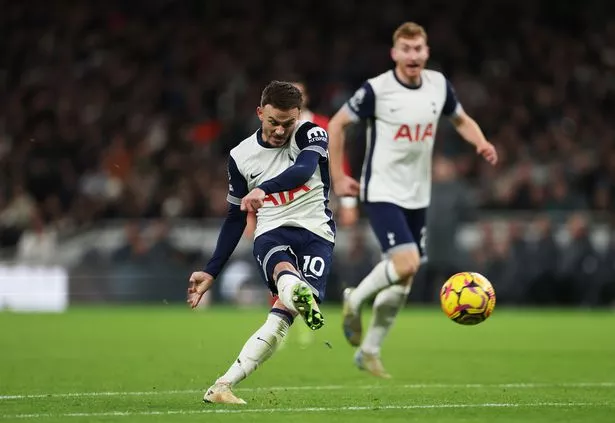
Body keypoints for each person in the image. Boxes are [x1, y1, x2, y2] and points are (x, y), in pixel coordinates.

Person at [327, 22, 498, 378]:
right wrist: (339, 176)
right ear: (395, 54)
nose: (413, 55)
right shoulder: (377, 90)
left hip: (418, 194)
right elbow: (337, 125)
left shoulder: (438, 86)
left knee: (403, 279)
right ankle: (355, 299)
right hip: (382, 191)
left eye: (418, 48)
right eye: (406, 49)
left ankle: (369, 350)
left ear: (426, 52)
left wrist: (480, 142)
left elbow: (462, 119)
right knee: (407, 265)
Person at [187, 81, 335, 404]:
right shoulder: (240, 157)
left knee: (280, 320)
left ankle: (222, 386)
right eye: (273, 122)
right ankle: (294, 287)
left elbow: (304, 169)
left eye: (288, 123)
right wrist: (212, 271)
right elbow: (234, 218)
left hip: (316, 233)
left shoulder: (312, 134)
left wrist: (263, 189)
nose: (281, 131)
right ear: (259, 113)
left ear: (298, 116)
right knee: (283, 270)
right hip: (272, 230)